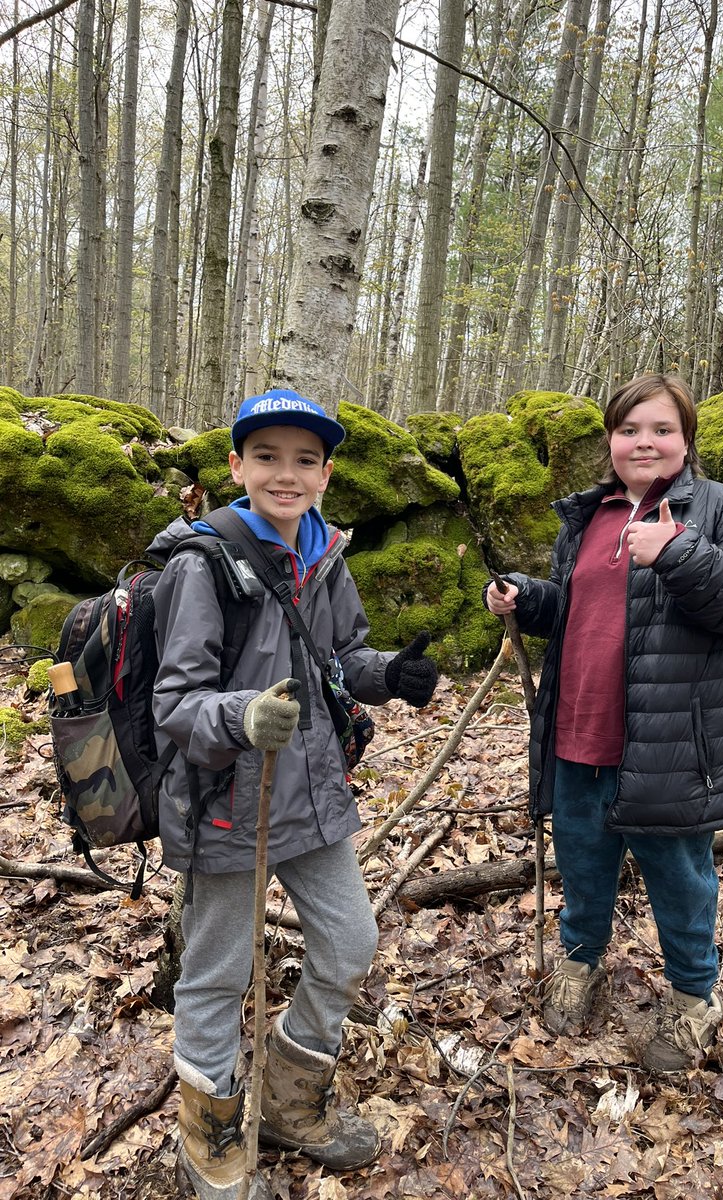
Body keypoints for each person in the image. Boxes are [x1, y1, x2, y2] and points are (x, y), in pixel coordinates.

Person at [150, 389, 439, 1199]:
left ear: (327, 472)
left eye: (304, 459)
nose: (286, 472)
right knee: (216, 975)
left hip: (311, 795)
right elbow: (175, 703)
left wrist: (390, 674)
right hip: (225, 800)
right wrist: (243, 716)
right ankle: (209, 1134)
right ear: (236, 466)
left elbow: (340, 655)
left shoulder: (325, 553)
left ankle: (289, 1098)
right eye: (267, 456)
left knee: (350, 945)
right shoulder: (201, 565)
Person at [485, 374, 723, 1072]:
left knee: (680, 882)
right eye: (629, 430)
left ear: (686, 441)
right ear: (611, 441)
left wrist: (680, 552)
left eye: (660, 430)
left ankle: (693, 1000)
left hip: (668, 748)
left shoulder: (719, 509)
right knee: (584, 867)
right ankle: (580, 963)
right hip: (576, 732)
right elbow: (578, 607)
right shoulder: (591, 515)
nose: (643, 442)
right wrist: (527, 599)